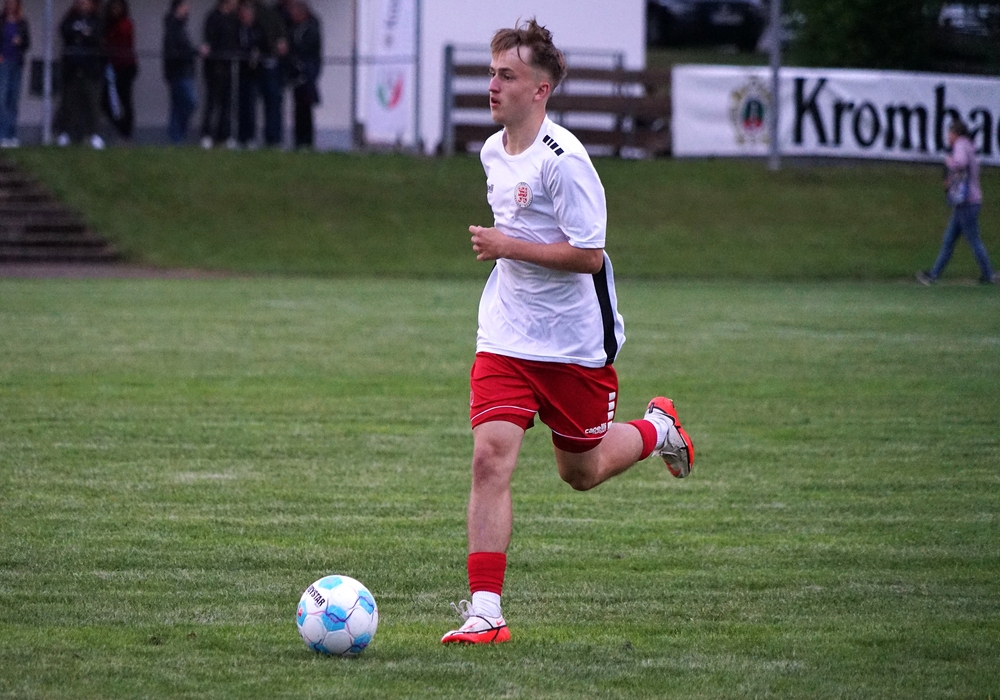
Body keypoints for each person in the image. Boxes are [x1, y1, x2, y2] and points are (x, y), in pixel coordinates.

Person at [440, 18, 695, 646]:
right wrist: (509, 251)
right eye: (491, 73)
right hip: (506, 333)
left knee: (580, 471)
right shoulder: (492, 152)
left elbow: (589, 255)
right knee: (489, 458)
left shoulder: (566, 161)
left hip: (574, 342)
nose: (492, 86)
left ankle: (657, 428)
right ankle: (486, 612)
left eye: (507, 76)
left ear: (540, 90)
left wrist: (507, 245)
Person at [918, 119, 995, 285]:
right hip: (968, 202)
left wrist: (949, 162)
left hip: (967, 201)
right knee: (950, 240)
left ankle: (988, 274)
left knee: (971, 240)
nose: (948, 137)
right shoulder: (969, 145)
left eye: (950, 133)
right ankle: (934, 274)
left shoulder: (960, 145)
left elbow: (960, 163)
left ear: (955, 134)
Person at [55, 0, 104, 149]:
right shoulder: (70, 18)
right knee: (69, 103)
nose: (83, 5)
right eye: (80, 2)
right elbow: (65, 32)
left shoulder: (96, 20)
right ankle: (66, 133)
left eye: (86, 2)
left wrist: (84, 36)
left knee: (92, 102)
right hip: (72, 68)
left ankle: (94, 134)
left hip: (90, 69)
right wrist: (81, 34)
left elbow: (96, 37)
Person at [200, 0, 239, 148]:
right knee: (212, 102)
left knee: (227, 104)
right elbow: (209, 40)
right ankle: (207, 134)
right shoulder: (213, 17)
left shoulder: (233, 19)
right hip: (214, 67)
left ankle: (223, 136)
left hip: (229, 66)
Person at [163, 0, 199, 144]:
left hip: (181, 71)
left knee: (178, 105)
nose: (187, 9)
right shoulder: (174, 27)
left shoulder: (179, 26)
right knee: (190, 102)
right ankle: (177, 134)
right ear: (178, 8)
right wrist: (194, 52)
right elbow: (177, 51)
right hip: (179, 71)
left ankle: (176, 138)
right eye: (185, 6)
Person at [286, 0, 320, 149]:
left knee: (306, 107)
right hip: (297, 74)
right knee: (298, 108)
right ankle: (299, 140)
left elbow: (309, 49)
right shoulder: (295, 29)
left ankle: (307, 140)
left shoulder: (311, 29)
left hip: (307, 73)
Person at [102, 0, 137, 140]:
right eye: (113, 8)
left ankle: (126, 132)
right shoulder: (107, 25)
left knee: (125, 99)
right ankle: (120, 127)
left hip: (125, 67)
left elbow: (120, 43)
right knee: (106, 101)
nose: (115, 11)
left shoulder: (125, 25)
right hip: (111, 66)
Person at [254, 0, 287, 147]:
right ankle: (272, 137)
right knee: (270, 102)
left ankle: (273, 137)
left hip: (272, 67)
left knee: (273, 102)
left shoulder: (272, 15)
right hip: (262, 67)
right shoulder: (269, 14)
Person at [0, 0, 29, 148]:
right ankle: (2, 134)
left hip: (17, 63)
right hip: (3, 63)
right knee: (2, 99)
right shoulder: (2, 21)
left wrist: (20, 42)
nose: (10, 5)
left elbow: (27, 43)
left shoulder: (22, 23)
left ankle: (11, 135)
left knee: (13, 99)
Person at [235, 0, 264, 147]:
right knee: (239, 105)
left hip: (253, 73)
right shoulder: (237, 29)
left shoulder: (257, 30)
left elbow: (261, 46)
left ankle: (250, 137)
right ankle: (239, 137)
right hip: (239, 72)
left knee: (250, 106)